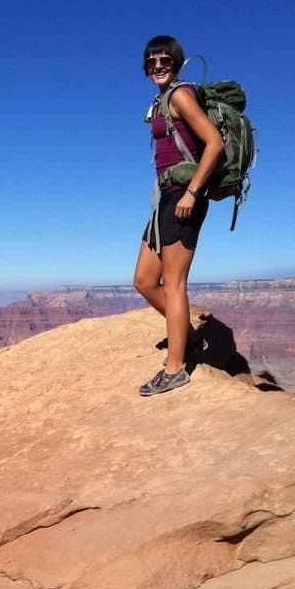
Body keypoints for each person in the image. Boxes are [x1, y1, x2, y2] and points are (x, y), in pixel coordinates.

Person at [133, 35, 224, 396]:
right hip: (165, 199)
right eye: (152, 62)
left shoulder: (181, 95)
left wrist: (192, 191)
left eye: (165, 61)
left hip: (184, 198)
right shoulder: (160, 100)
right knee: (143, 279)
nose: (158, 66)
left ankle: (175, 369)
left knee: (173, 284)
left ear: (176, 63)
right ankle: (184, 336)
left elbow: (214, 142)